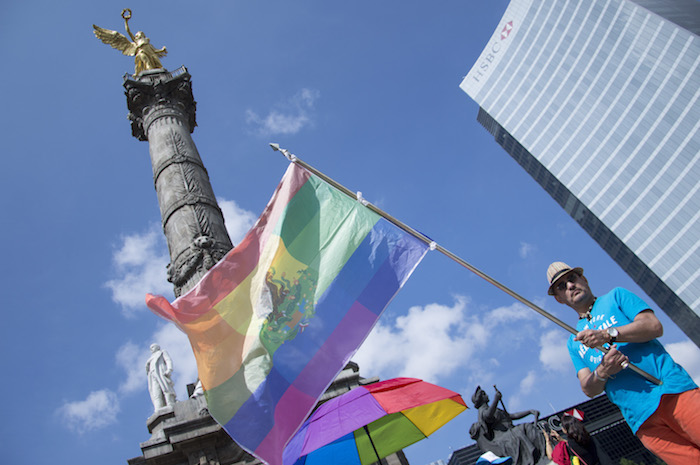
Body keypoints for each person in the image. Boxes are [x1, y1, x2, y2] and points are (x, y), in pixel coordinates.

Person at [546, 261, 700, 465]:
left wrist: (608, 334)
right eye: (561, 286)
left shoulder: (617, 296)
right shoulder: (574, 342)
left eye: (572, 278)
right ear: (559, 299)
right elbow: (588, 388)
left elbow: (653, 326)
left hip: (673, 393)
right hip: (642, 422)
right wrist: (603, 371)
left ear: (584, 279)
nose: (570, 286)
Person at [469, 386, 549, 465]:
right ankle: (538, 455)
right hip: (502, 437)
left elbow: (511, 416)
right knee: (522, 430)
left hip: (510, 431)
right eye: (484, 394)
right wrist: (496, 400)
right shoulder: (483, 410)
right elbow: (488, 416)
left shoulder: (494, 408)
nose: (487, 395)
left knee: (527, 427)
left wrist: (529, 412)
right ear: (480, 398)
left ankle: (543, 453)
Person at [146, 343, 176, 411]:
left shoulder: (162, 352)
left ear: (157, 347)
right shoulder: (150, 359)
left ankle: (170, 403)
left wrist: (169, 369)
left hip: (160, 373)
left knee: (165, 388)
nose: (151, 349)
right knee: (156, 392)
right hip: (153, 375)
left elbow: (168, 360)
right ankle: (158, 408)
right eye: (150, 348)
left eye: (153, 347)